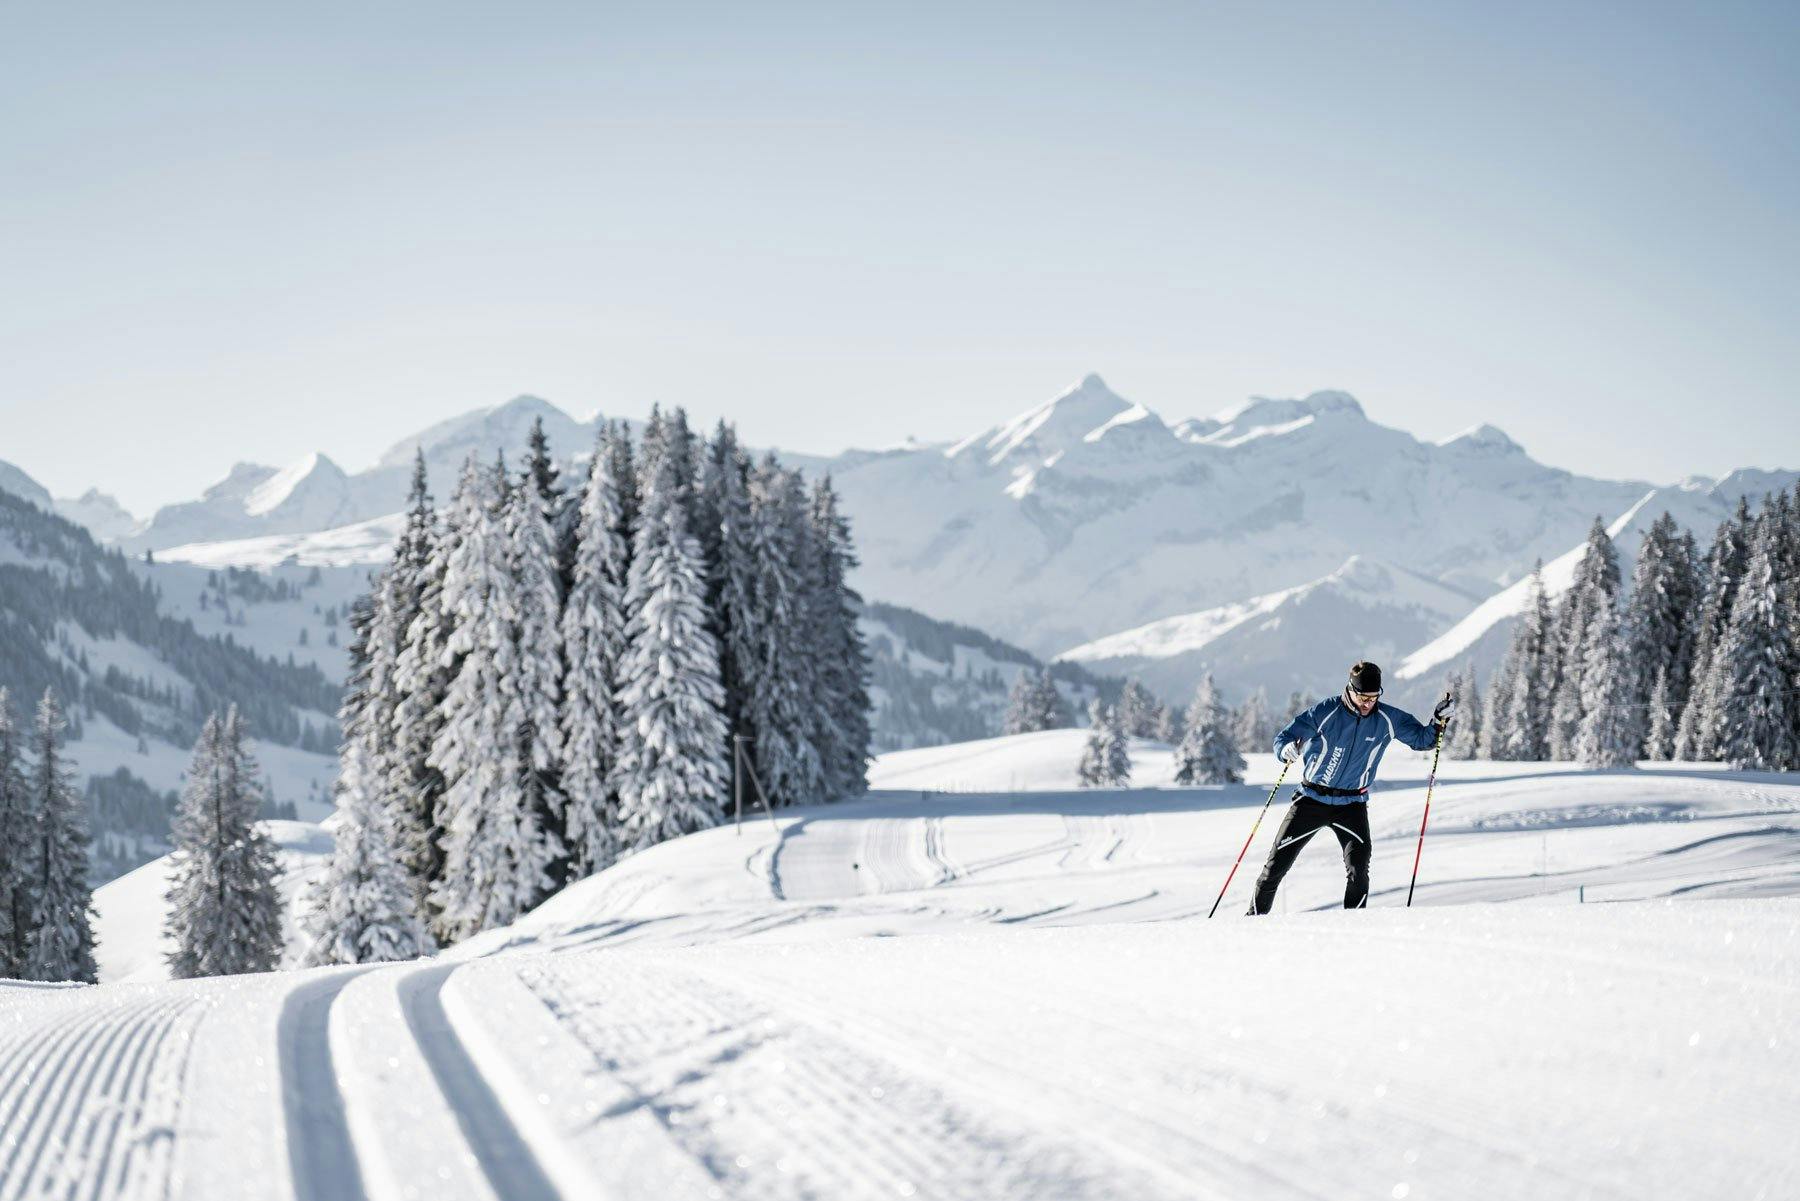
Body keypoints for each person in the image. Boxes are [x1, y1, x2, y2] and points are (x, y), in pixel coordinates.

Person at [1249, 661, 1453, 913]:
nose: (1368, 703)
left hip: (1352, 806)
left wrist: (1437, 722)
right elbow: (1284, 738)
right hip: (1311, 799)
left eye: (1373, 697)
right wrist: (1285, 750)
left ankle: (1353, 925)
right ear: (1350, 690)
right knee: (1275, 867)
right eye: (1362, 697)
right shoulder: (1326, 712)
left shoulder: (1387, 718)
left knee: (1359, 872)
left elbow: (1423, 740)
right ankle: (1252, 923)